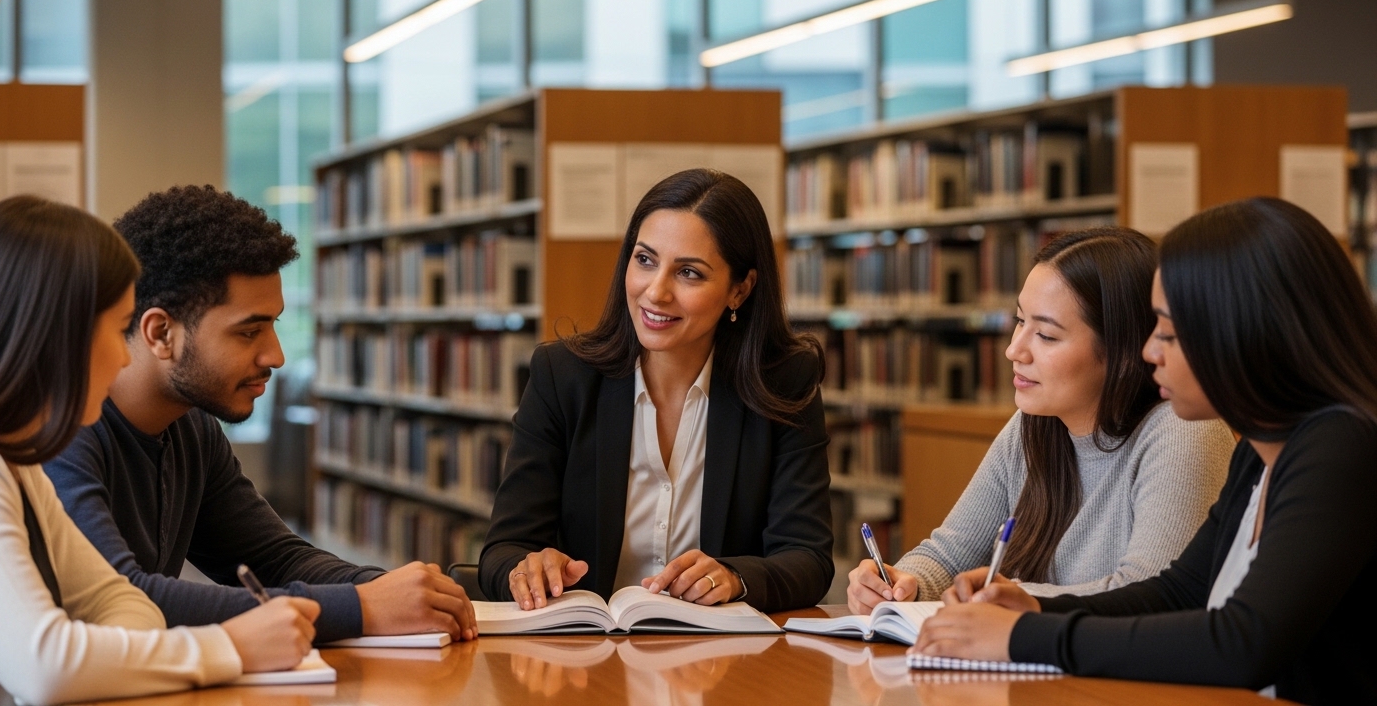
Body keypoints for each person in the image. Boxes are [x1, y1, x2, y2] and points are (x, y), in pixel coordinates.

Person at [914, 198, 1377, 705]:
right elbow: (1175, 593)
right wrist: (1032, 610)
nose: (1150, 351)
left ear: (1244, 337)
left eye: (1171, 334)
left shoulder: (1342, 447)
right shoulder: (1263, 450)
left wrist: (1020, 638)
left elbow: (1242, 641)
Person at [43, 185, 476, 644]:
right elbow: (122, 599)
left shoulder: (191, 427)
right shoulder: (59, 427)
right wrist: (361, 607)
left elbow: (275, 559)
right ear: (161, 332)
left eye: (274, 325)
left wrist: (392, 590)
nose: (276, 355)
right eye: (249, 332)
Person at [0, 196, 319, 705]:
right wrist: (229, 647)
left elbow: (122, 604)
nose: (122, 356)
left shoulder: (16, 464)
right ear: (48, 337)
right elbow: (45, 666)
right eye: (114, 331)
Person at [479, 168, 833, 613]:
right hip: (586, 659)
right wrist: (526, 568)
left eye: (689, 272)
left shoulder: (783, 384)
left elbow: (808, 558)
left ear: (739, 290)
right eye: (645, 260)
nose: (656, 292)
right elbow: (500, 552)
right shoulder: (562, 377)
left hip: (721, 663)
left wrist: (735, 578)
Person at [847, 228, 1234, 611]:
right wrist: (900, 584)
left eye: (1046, 336)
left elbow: (1151, 594)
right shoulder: (1032, 425)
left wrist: (1018, 600)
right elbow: (949, 556)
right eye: (1019, 321)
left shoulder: (1182, 432)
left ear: (1122, 350)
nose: (1014, 350)